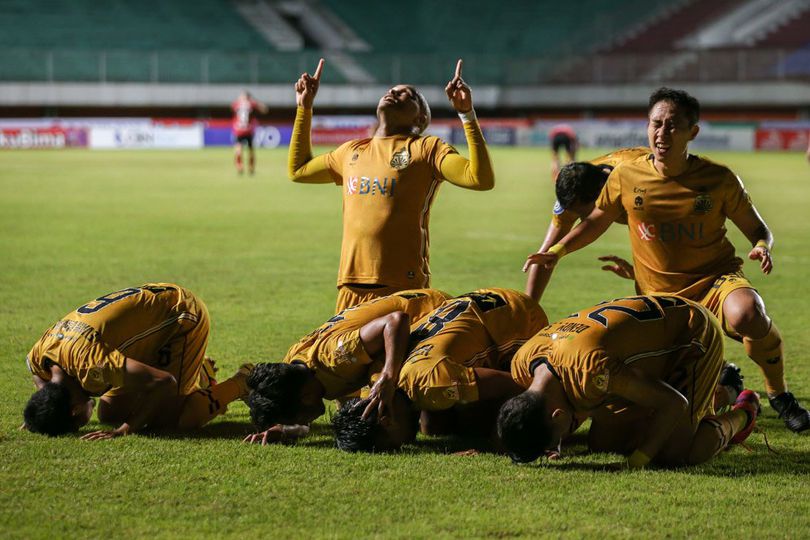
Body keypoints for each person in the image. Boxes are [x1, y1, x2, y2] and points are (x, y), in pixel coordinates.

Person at [524, 87, 809, 433]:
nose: (662, 134)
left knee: (748, 313)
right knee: (656, 396)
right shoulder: (622, 178)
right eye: (655, 124)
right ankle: (727, 385)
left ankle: (779, 395)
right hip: (658, 295)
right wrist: (556, 253)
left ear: (693, 132)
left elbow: (758, 229)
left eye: (672, 126)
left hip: (715, 279)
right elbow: (595, 222)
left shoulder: (719, 179)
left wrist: (763, 245)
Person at [288, 58, 495, 313]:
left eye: (408, 95)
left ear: (420, 119)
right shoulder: (351, 151)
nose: (394, 93)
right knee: (341, 353)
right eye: (392, 90)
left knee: (398, 352)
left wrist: (466, 114)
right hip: (351, 283)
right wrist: (304, 108)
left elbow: (480, 179)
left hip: (402, 287)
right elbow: (298, 170)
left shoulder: (426, 149)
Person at [498, 295, 760, 467]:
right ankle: (718, 390)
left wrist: (636, 462)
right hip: (642, 347)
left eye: (555, 437)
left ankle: (742, 409)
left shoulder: (592, 371)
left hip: (690, 334)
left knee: (676, 453)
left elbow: (673, 403)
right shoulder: (522, 364)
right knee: (605, 443)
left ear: (557, 415)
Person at [22, 283, 252, 439]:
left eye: (79, 422)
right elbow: (38, 380)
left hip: (181, 315)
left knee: (168, 420)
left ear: (75, 410)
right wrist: (39, 415)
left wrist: (126, 429)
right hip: (148, 325)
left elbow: (164, 382)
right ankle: (198, 372)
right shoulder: (38, 357)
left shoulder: (94, 367)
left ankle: (242, 382)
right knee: (109, 413)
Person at [332, 288, 548, 452]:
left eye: (392, 445)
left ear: (386, 421)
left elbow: (517, 385)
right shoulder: (376, 378)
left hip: (518, 315)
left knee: (479, 422)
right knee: (434, 426)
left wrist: (493, 444)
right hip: (480, 300)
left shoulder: (431, 382)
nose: (404, 444)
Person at [244, 289, 449, 442]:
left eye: (295, 419)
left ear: (306, 397)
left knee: (428, 426)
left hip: (435, 311)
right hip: (419, 312)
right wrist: (282, 430)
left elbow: (396, 321)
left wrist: (388, 375)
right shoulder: (294, 368)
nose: (301, 422)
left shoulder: (336, 356)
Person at [524, 147, 649, 301]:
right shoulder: (575, 192)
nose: (583, 221)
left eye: (585, 214)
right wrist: (529, 310)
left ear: (600, 195)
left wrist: (642, 273)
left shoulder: (641, 182)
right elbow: (544, 256)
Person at [232, 90, 268, 175]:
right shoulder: (252, 104)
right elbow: (265, 110)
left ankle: (239, 166)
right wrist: (255, 101)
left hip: (239, 130)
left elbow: (233, 108)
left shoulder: (236, 104)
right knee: (250, 150)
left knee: (238, 149)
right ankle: (251, 168)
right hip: (248, 130)